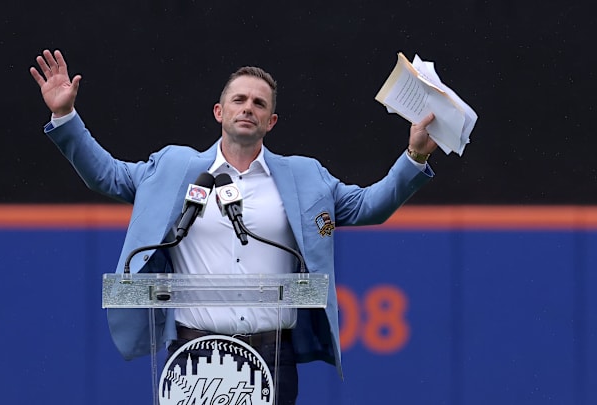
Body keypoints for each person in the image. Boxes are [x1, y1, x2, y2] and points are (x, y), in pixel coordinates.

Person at [30, 49, 437, 404]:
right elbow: (108, 176)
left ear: (271, 121)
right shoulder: (174, 168)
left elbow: (370, 206)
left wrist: (414, 156)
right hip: (192, 354)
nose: (248, 108)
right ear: (219, 112)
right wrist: (65, 115)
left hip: (273, 357)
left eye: (259, 104)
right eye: (239, 100)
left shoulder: (305, 177)